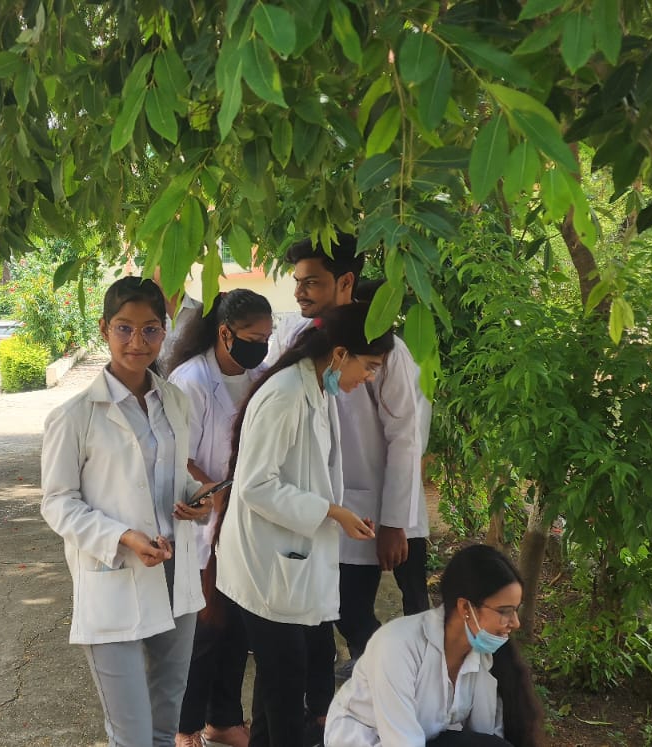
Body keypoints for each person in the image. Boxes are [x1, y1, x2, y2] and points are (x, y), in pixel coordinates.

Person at [40, 276, 218, 747]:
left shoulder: (174, 401)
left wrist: (198, 497)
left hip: (175, 573)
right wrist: (122, 537)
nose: (137, 342)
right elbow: (57, 502)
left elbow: (171, 476)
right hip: (115, 576)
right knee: (132, 733)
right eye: (124, 328)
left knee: (165, 720)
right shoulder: (75, 416)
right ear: (104, 328)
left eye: (150, 329)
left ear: (164, 331)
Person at [213, 302, 390, 747]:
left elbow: (309, 475)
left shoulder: (317, 389)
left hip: (283, 564)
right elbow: (256, 486)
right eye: (369, 367)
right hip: (265, 570)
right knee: (288, 698)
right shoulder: (287, 394)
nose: (369, 378)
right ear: (340, 354)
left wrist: (338, 513)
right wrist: (331, 512)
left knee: (277, 694)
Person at [280, 235, 433, 673]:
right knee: (324, 610)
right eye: (297, 282)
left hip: (368, 505)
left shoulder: (387, 350)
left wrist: (394, 522)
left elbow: (405, 437)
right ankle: (368, 671)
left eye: (312, 282)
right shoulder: (295, 338)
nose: (299, 292)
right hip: (313, 502)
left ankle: (390, 671)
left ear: (345, 282)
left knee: (352, 608)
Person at [167, 289, 275, 747]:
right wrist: (215, 492)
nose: (261, 347)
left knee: (235, 628)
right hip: (204, 518)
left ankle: (224, 720)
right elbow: (178, 454)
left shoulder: (261, 377)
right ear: (225, 333)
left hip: (244, 521)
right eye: (253, 338)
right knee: (203, 634)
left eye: (267, 338)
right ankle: (184, 726)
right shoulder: (191, 380)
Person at [325, 545, 543, 747]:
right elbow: (402, 742)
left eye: (515, 610)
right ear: (465, 608)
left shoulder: (482, 656)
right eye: (504, 611)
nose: (516, 623)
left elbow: (488, 734)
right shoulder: (397, 646)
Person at [153, 267, 203, 376]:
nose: (170, 265)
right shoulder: (145, 313)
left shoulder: (201, 313)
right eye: (161, 262)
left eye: (175, 260)